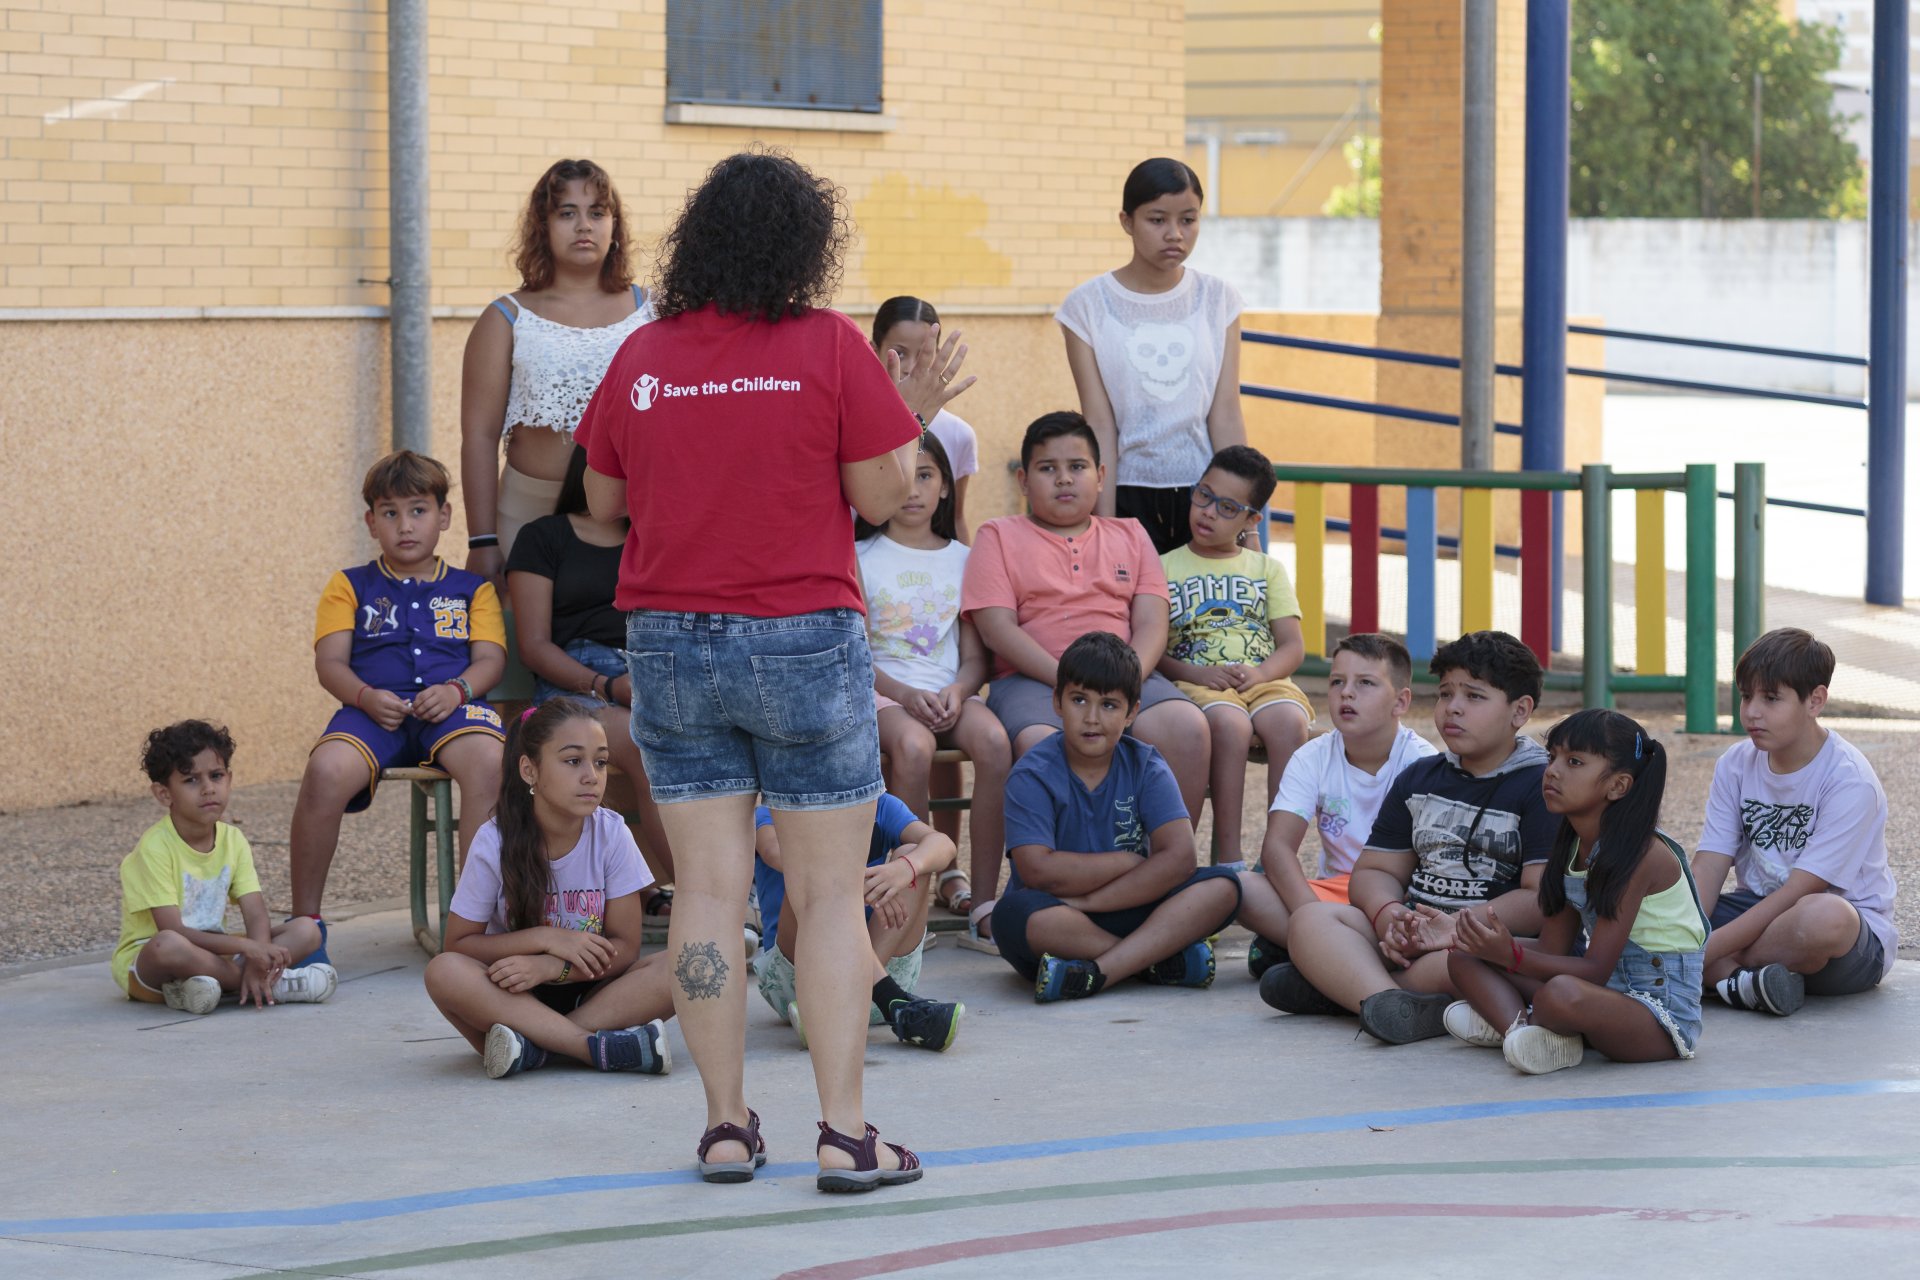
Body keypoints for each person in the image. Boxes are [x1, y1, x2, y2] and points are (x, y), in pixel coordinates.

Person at [575, 149, 971, 1194]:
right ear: (805, 244)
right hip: (802, 634)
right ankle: (844, 1131)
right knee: (832, 896)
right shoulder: (831, 348)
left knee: (707, 893)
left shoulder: (644, 353)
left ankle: (722, 1126)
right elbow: (886, 497)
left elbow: (603, 505)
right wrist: (911, 410)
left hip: (669, 637)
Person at [1266, 631, 1555, 1045]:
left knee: (1464, 962)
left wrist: (1452, 928)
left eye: (1473, 697)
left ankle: (1352, 989)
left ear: (1519, 710)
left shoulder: (1541, 785)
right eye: (1444, 694)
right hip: (1412, 933)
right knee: (1312, 919)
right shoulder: (1421, 778)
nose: (1452, 708)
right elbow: (1376, 870)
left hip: (1478, 942)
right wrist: (1390, 918)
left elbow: (1539, 899)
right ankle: (1395, 1003)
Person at [961, 412, 1212, 840]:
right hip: (1033, 681)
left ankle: (1164, 868)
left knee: (1186, 727)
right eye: (1047, 468)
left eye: (1076, 467)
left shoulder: (1130, 534)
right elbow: (997, 629)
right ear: (1023, 480)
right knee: (1042, 741)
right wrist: (1072, 681)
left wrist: (1124, 679)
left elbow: (1152, 622)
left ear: (1099, 477)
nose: (1063, 479)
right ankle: (1059, 869)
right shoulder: (997, 536)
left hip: (1128, 675)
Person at [289, 451, 506, 939]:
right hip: (371, 713)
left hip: (453, 710)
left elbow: (491, 660)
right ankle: (306, 924)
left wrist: (458, 689)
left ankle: (474, 924)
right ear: (371, 522)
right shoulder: (348, 585)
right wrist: (365, 697)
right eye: (389, 513)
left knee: (492, 763)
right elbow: (330, 664)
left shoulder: (473, 590)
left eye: (418, 510)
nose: (405, 525)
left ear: (444, 516)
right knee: (324, 770)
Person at [1445, 709, 1708, 1074]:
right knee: (1463, 955)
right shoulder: (1570, 845)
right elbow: (1555, 949)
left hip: (1657, 1018)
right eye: (1551, 757)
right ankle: (1523, 1033)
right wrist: (1488, 946)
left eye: (1574, 761)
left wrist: (1512, 956)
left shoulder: (1641, 855)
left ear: (1618, 786)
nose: (1552, 770)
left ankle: (1519, 1024)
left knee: (1561, 994)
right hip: (1600, 993)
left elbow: (1595, 969)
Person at [423, 699, 673, 1079]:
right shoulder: (495, 841)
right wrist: (546, 938)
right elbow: (458, 944)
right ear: (529, 770)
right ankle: (589, 1047)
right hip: (510, 997)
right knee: (444, 972)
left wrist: (552, 966)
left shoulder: (612, 832)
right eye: (573, 761)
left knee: (683, 966)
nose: (592, 775)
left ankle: (536, 1050)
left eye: (601, 761)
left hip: (594, 989)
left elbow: (626, 948)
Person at [991, 632, 1243, 1002]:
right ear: (1057, 702)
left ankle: (1098, 972)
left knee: (1224, 886)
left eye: (1109, 705)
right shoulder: (1032, 773)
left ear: (1132, 713)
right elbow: (1037, 871)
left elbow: (1179, 857)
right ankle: (1152, 961)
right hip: (1060, 917)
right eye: (1079, 700)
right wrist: (1127, 861)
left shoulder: (1146, 764)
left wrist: (1094, 901)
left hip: (1129, 903)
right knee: (1011, 915)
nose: (1092, 719)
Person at [506, 444, 676, 917]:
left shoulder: (653, 537)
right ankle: (714, 899)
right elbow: (535, 646)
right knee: (648, 748)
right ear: (591, 470)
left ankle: (695, 890)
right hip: (578, 685)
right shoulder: (544, 537)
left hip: (652, 670)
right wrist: (605, 684)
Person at [855, 430, 1009, 948]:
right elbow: (854, 654)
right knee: (914, 746)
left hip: (947, 692)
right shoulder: (860, 555)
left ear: (946, 487)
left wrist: (960, 692)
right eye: (902, 476)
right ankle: (908, 906)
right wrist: (902, 695)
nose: (914, 489)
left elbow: (973, 655)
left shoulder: (965, 559)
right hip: (883, 692)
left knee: (993, 742)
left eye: (926, 476)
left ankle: (981, 897)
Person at [461, 159, 651, 578]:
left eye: (597, 212)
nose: (584, 225)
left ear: (614, 227)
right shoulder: (505, 317)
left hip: (632, 514)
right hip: (527, 511)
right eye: (567, 213)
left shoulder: (653, 312)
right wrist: (482, 539)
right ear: (542, 228)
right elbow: (478, 435)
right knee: (523, 641)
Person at [1693, 628, 1898, 1016]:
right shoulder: (1735, 765)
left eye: (1771, 698)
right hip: (1756, 909)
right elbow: (1709, 864)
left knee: (1824, 917)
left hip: (1843, 940)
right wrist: (1682, 928)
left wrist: (1695, 954)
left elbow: (1799, 893)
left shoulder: (1849, 779)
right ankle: (1742, 982)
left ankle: (1714, 972)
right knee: (1650, 898)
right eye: (1746, 696)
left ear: (1815, 701)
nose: (1752, 711)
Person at [1058, 157, 1246, 554]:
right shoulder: (1087, 306)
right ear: (1127, 221)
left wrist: (1243, 522)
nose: (1175, 234)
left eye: (1188, 220)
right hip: (1126, 495)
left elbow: (1225, 412)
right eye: (1157, 220)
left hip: (1206, 501)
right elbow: (1099, 422)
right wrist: (1105, 528)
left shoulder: (1219, 299)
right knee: (1133, 615)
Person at [1235, 633, 1437, 979]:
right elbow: (1278, 849)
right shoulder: (1312, 756)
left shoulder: (1422, 764)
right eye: (1337, 682)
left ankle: (1309, 955)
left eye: (1366, 683)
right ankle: (1333, 953)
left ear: (1400, 702)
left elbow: (1429, 868)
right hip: (1328, 896)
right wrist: (1313, 920)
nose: (1346, 692)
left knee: (1415, 922)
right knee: (1241, 888)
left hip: (1392, 901)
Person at [1156, 444, 1310, 865]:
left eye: (1227, 507)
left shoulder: (1265, 569)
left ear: (1251, 519)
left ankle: (1276, 858)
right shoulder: (1163, 567)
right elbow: (1152, 649)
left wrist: (1261, 675)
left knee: (1291, 724)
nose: (1207, 512)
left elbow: (1293, 646)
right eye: (1203, 495)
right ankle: (1228, 858)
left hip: (1264, 678)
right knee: (1230, 724)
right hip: (1200, 681)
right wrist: (1194, 673)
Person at [115, 721, 334, 1014]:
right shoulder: (154, 847)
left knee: (308, 930)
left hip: (214, 955)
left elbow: (255, 911)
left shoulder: (233, 840)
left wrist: (256, 951)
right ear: (164, 794)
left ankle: (213, 988)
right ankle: (272, 985)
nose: (208, 789)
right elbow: (173, 929)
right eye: (191, 780)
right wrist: (248, 951)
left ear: (229, 779)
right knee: (167, 944)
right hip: (151, 963)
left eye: (216, 776)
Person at [751, 796, 966, 1052]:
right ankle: (895, 1004)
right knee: (806, 869)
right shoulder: (771, 812)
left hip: (882, 971)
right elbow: (777, 853)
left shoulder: (881, 804)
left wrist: (905, 868)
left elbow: (944, 845)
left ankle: (844, 1007)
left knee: (913, 853)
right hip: (799, 981)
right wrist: (852, 886)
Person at [872, 297, 980, 543]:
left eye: (923, 355)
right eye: (899, 353)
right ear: (873, 350)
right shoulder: (850, 424)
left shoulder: (958, 434)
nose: (911, 367)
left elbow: (956, 518)